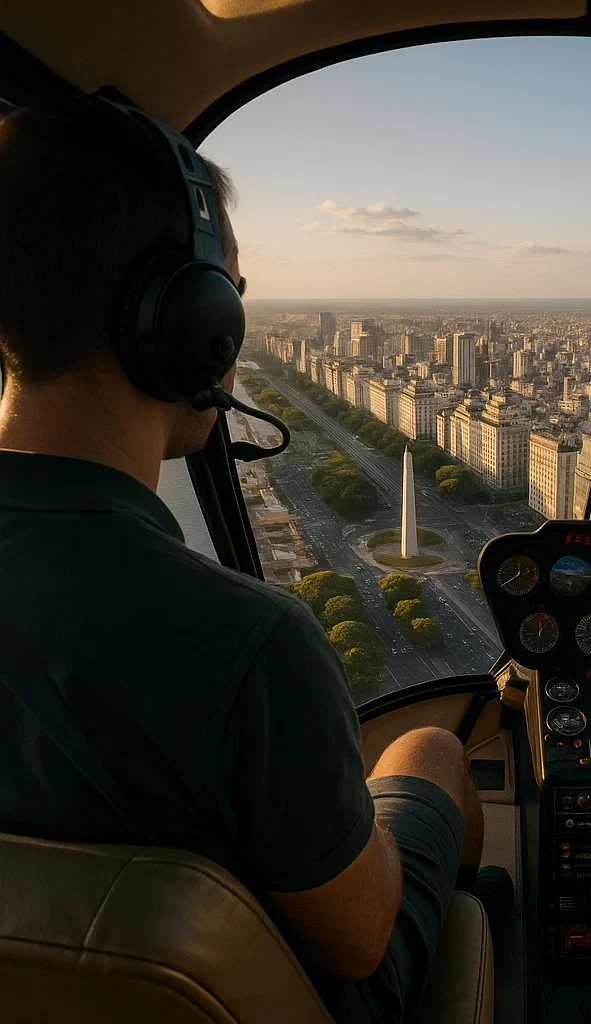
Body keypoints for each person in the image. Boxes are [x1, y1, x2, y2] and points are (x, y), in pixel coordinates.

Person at [0, 98, 503, 1022]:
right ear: (184, 323)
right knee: (429, 747)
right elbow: (356, 940)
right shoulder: (248, 643)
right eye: (229, 293)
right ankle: (487, 923)